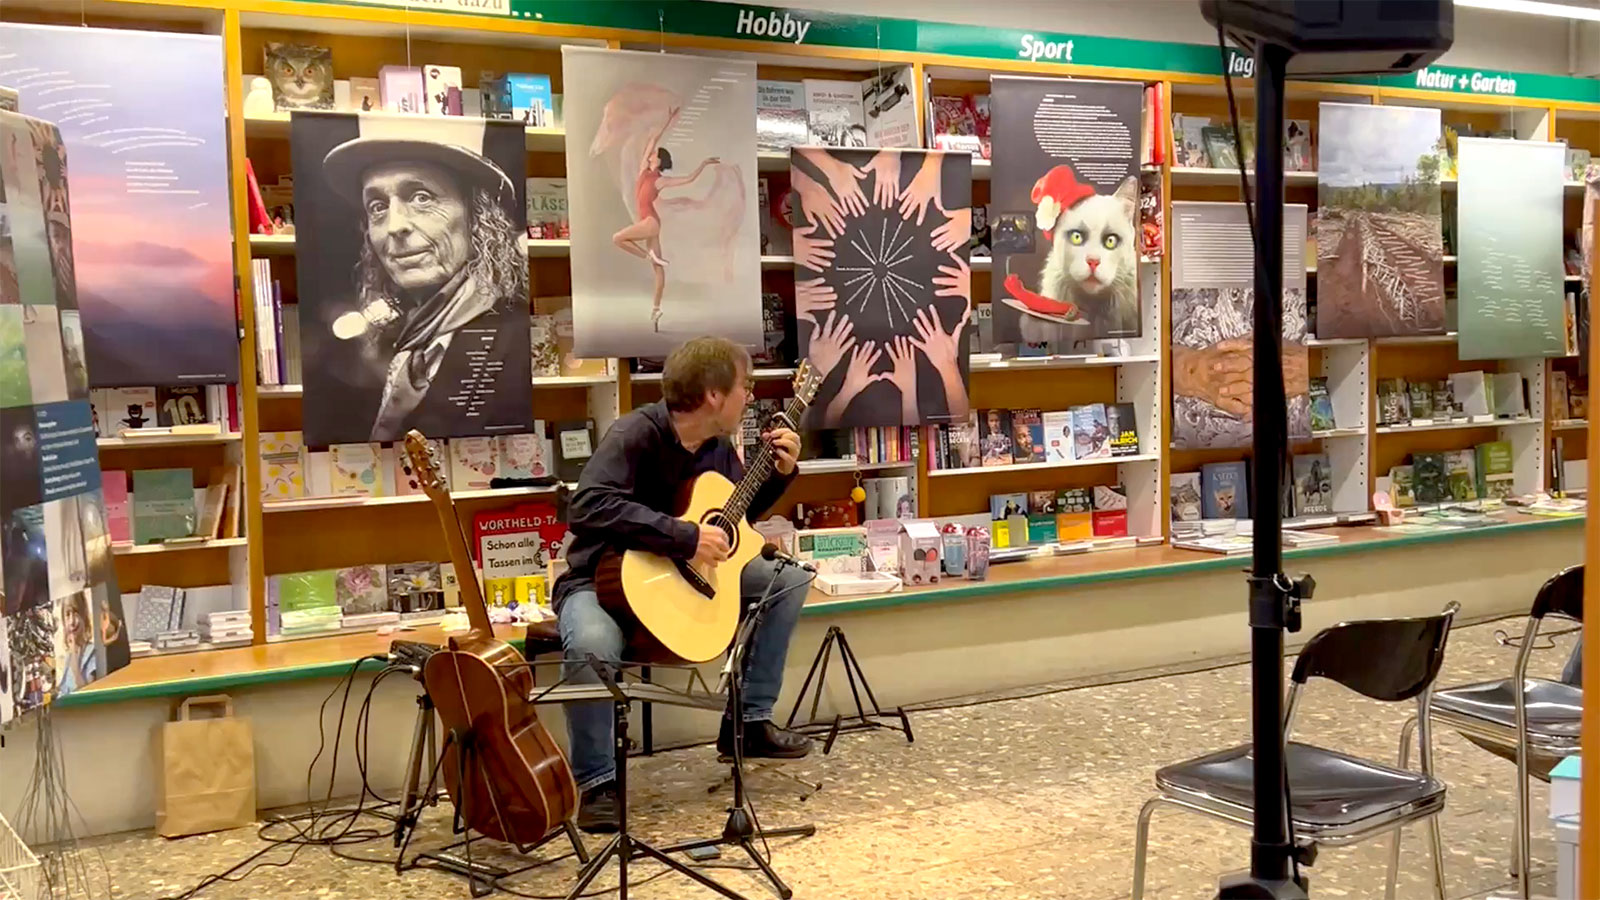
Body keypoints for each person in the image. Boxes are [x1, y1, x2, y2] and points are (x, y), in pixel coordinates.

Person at [553, 336, 813, 833]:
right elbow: (586, 506)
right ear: (714, 394)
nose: (751, 397)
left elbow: (734, 519)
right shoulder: (635, 433)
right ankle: (598, 783)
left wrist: (780, 474)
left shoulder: (716, 446)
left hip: (680, 579)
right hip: (602, 580)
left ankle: (749, 723)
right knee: (590, 645)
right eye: (746, 386)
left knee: (786, 579)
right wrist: (682, 535)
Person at [321, 133, 529, 442]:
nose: (395, 226)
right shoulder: (389, 340)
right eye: (378, 206)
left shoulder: (520, 337)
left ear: (477, 215)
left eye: (422, 197)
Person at [610, 106, 721, 332]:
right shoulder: (644, 170)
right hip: (650, 222)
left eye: (654, 154)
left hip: (651, 222)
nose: (651, 153)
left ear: (659, 161)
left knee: (618, 238)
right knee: (659, 270)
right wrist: (668, 119)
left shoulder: (660, 180)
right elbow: (653, 139)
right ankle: (656, 308)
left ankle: (647, 256)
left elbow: (689, 179)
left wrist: (704, 164)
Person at [55, 592, 96, 695]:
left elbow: (85, 692)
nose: (72, 621)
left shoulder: (92, 652)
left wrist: (74, 660)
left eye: (76, 612)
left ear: (84, 616)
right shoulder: (69, 654)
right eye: (68, 614)